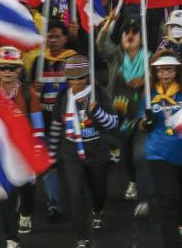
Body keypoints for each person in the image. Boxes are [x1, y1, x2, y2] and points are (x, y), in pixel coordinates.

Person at [47, 55, 119, 248]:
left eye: (80, 77)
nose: (76, 82)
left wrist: (97, 113)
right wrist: (52, 154)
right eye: (72, 78)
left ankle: (97, 210)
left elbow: (113, 123)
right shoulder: (63, 97)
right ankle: (82, 237)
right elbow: (56, 125)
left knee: (99, 192)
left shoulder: (99, 94)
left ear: (88, 76)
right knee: (75, 194)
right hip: (70, 152)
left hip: (97, 151)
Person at [141, 51, 182, 247]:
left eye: (169, 69)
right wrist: (145, 123)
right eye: (161, 70)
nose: (165, 74)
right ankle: (171, 242)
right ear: (155, 72)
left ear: (176, 70)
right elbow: (140, 124)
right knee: (168, 199)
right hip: (158, 153)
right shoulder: (149, 94)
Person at [96, 13, 152, 217]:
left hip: (140, 117)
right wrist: (109, 22)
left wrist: (147, 78)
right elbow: (101, 43)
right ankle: (134, 181)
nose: (130, 34)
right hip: (118, 117)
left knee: (140, 156)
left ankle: (145, 199)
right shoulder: (115, 56)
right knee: (126, 157)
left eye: (135, 32)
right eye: (125, 32)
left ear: (141, 37)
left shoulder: (151, 59)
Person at [0, 47, 44, 248]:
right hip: (3, 152)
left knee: (27, 188)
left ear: (19, 71)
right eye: (3, 67)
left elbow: (38, 126)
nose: (7, 71)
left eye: (12, 68)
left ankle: (26, 213)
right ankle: (12, 237)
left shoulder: (27, 92)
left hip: (25, 151)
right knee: (7, 195)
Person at [32, 18, 80, 222]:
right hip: (45, 119)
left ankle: (75, 201)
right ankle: (54, 205)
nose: (52, 40)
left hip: (68, 120)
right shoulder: (38, 61)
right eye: (49, 36)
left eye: (57, 36)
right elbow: (31, 90)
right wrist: (34, 89)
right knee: (49, 163)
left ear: (65, 39)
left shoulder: (74, 59)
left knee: (69, 162)